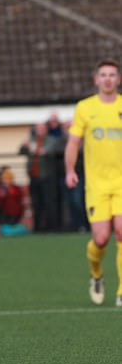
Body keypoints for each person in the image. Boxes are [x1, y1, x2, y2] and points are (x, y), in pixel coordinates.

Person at [65, 59, 122, 307]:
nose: (108, 79)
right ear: (96, 80)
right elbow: (74, 143)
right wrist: (70, 169)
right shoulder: (85, 108)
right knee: (101, 239)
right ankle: (97, 275)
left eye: (112, 74)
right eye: (103, 75)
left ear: (118, 79)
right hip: (97, 185)